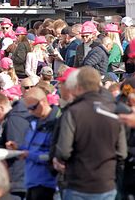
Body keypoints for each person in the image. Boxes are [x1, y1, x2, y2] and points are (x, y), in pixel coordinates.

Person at [53, 66, 127, 200]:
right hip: (106, 183)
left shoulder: (73, 111)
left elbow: (63, 151)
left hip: (78, 184)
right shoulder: (114, 110)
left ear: (78, 86)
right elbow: (122, 152)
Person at [19, 87, 60, 200]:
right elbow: (32, 147)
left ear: (42, 102)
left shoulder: (56, 124)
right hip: (31, 182)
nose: (30, 112)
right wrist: (18, 148)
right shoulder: (33, 121)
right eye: (28, 109)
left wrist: (29, 155)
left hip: (47, 184)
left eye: (32, 108)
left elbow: (52, 156)